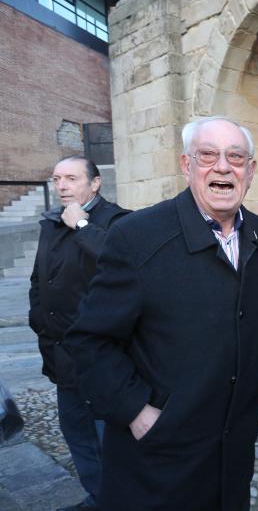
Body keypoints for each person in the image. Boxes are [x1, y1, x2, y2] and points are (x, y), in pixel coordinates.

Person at [64, 116, 258, 510]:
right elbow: (90, 340)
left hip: (233, 451)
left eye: (236, 157)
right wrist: (136, 412)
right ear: (186, 165)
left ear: (251, 170)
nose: (223, 166)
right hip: (159, 459)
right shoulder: (137, 236)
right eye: (207, 155)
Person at [29, 155, 129, 511]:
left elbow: (122, 268)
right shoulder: (50, 223)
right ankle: (99, 498)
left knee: (110, 441)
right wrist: (38, 319)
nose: (62, 186)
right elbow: (38, 280)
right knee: (78, 436)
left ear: (96, 183)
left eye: (71, 178)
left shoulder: (119, 220)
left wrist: (82, 225)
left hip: (102, 360)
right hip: (62, 355)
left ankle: (121, 501)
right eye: (57, 179)